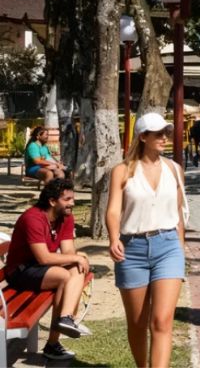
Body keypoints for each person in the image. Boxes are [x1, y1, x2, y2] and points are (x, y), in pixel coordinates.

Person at [106, 113, 188, 368]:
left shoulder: (175, 170)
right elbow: (112, 211)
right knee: (138, 323)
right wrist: (112, 238)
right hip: (132, 249)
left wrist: (181, 248)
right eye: (158, 133)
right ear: (143, 137)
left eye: (166, 132)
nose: (164, 137)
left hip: (168, 247)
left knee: (162, 321)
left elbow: (178, 216)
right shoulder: (122, 171)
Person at [6, 179, 92, 360]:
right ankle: (55, 340)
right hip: (20, 271)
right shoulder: (33, 218)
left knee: (76, 269)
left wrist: (76, 259)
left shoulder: (66, 217)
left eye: (72, 198)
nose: (72, 203)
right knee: (64, 275)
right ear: (52, 201)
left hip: (40, 268)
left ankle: (65, 320)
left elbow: (68, 250)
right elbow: (43, 257)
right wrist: (76, 257)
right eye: (67, 199)